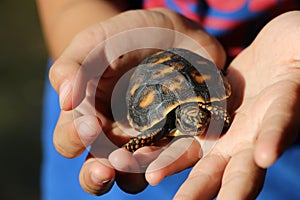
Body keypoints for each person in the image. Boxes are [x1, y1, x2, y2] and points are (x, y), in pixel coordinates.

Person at [37, 0, 300, 199]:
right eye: (196, 117)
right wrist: (102, 55)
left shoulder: (210, 110)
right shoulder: (161, 125)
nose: (200, 121)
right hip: (113, 88)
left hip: (278, 107)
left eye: (200, 117)